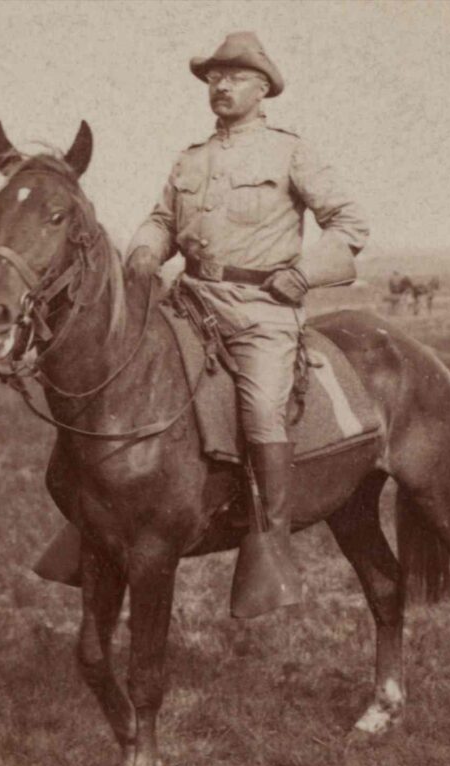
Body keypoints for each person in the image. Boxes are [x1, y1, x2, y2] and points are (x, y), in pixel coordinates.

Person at [124, 32, 370, 617]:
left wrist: (304, 274)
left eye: (234, 76)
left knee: (261, 409)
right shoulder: (191, 159)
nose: (221, 85)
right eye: (214, 77)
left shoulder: (289, 152)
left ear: (263, 89)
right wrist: (144, 250)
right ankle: (104, 513)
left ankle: (270, 536)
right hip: (192, 299)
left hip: (261, 309)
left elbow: (349, 223)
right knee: (131, 376)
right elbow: (162, 220)